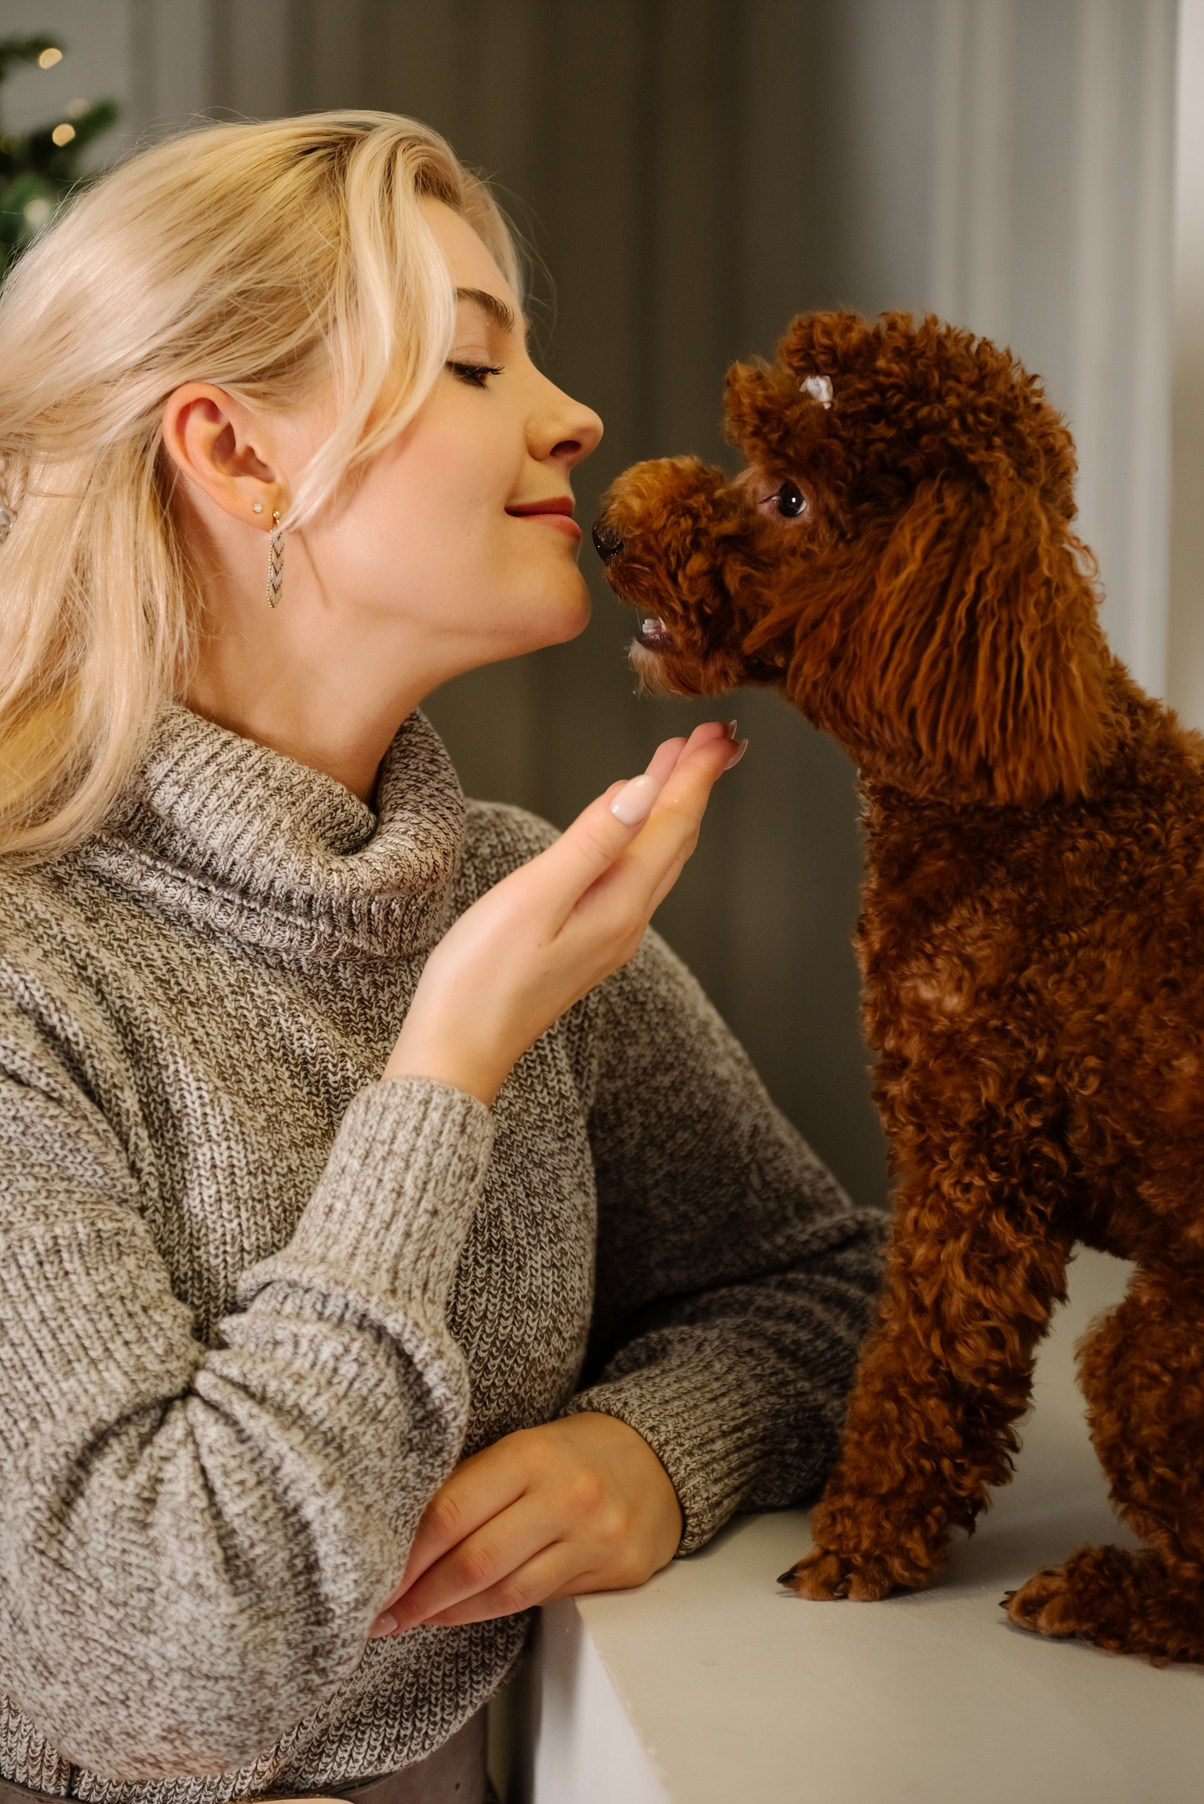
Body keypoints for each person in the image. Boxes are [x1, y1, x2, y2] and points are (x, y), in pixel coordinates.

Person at [0, 112, 883, 1804]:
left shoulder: (501, 893)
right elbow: (160, 1673)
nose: (576, 415)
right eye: (476, 363)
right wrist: (447, 1064)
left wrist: (657, 1449)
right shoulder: (31, 973)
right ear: (234, 453)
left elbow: (832, 1289)